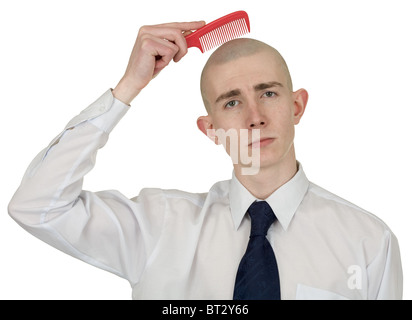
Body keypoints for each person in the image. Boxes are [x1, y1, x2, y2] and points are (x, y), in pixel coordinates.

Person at [8, 20, 402, 300]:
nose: (254, 117)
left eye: (268, 93)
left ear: (297, 106)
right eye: (232, 102)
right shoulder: (156, 227)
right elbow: (36, 207)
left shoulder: (368, 242)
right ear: (210, 129)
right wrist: (129, 87)